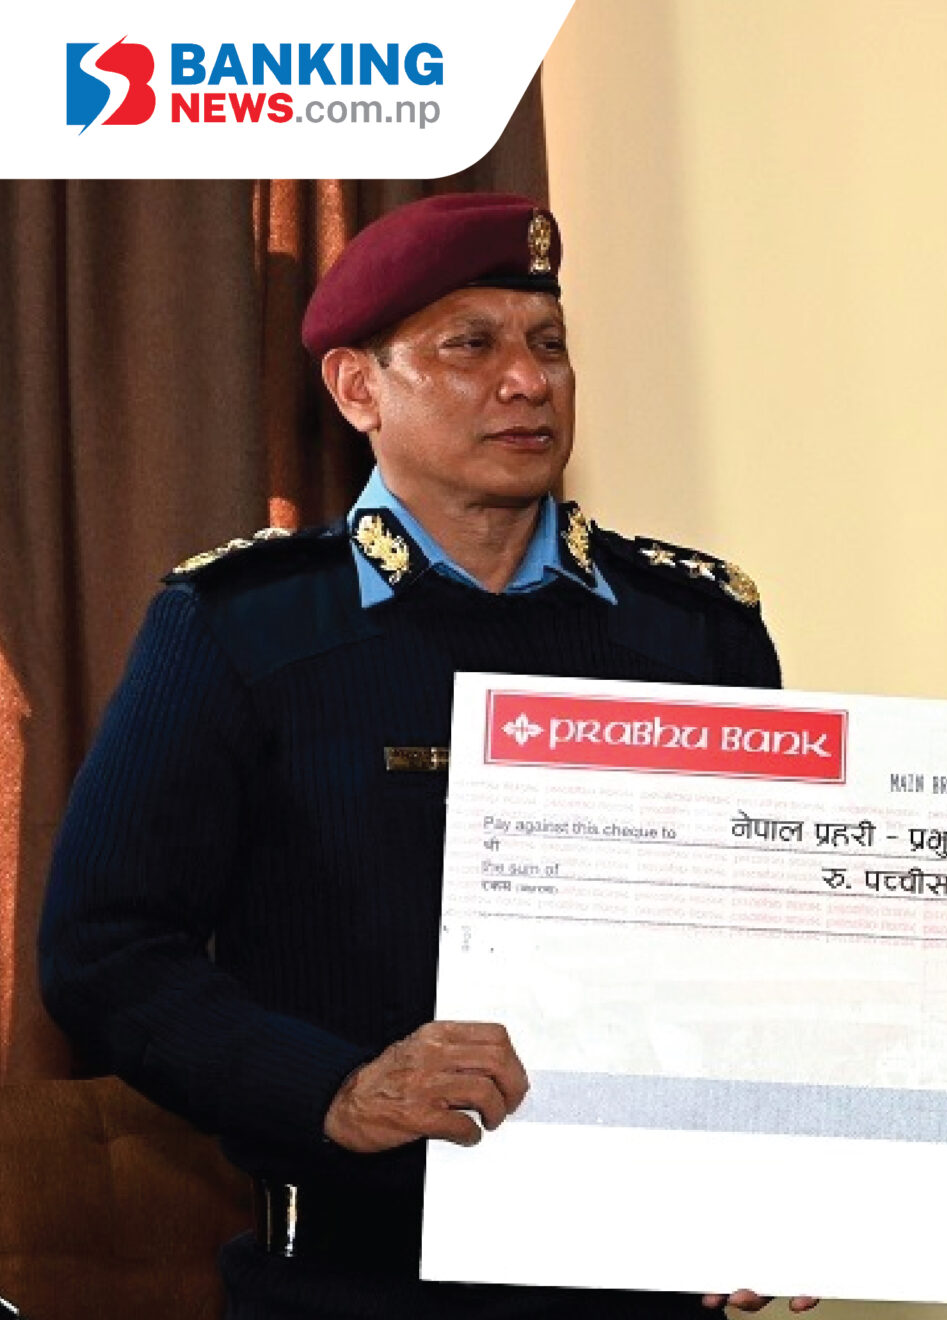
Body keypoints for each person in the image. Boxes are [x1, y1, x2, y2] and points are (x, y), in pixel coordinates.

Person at [40, 193, 788, 1319]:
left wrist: (790, 1184)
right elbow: (105, 950)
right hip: (348, 1284)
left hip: (640, 1281)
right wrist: (332, 1090)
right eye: (470, 346)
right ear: (358, 389)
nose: (527, 381)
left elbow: (775, 952)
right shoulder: (242, 626)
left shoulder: (693, 632)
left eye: (549, 344)